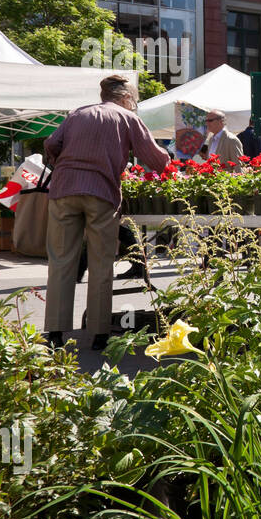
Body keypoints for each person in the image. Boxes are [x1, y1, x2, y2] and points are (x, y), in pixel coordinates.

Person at [44, 74, 170, 350]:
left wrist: (64, 161)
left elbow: (51, 144)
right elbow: (154, 157)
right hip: (101, 192)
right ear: (126, 98)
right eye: (134, 100)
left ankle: (54, 332)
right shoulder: (127, 118)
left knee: (61, 261)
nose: (133, 104)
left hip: (64, 189)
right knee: (101, 263)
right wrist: (170, 169)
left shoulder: (77, 114)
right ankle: (99, 334)